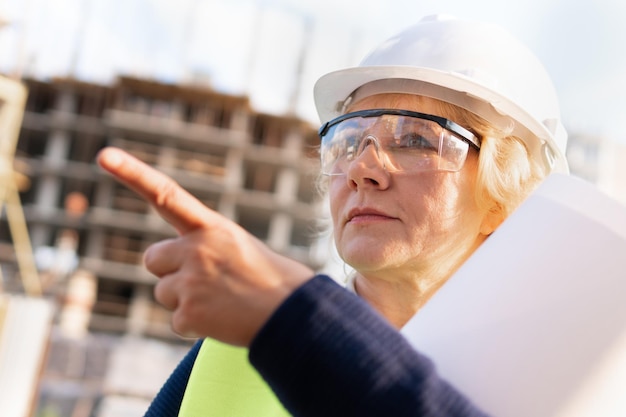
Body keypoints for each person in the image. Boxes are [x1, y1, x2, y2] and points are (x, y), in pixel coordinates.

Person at [97, 14, 568, 417]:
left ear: (506, 195)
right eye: (348, 139)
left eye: (418, 139)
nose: (362, 168)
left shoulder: (558, 383)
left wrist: (296, 321)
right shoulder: (230, 350)